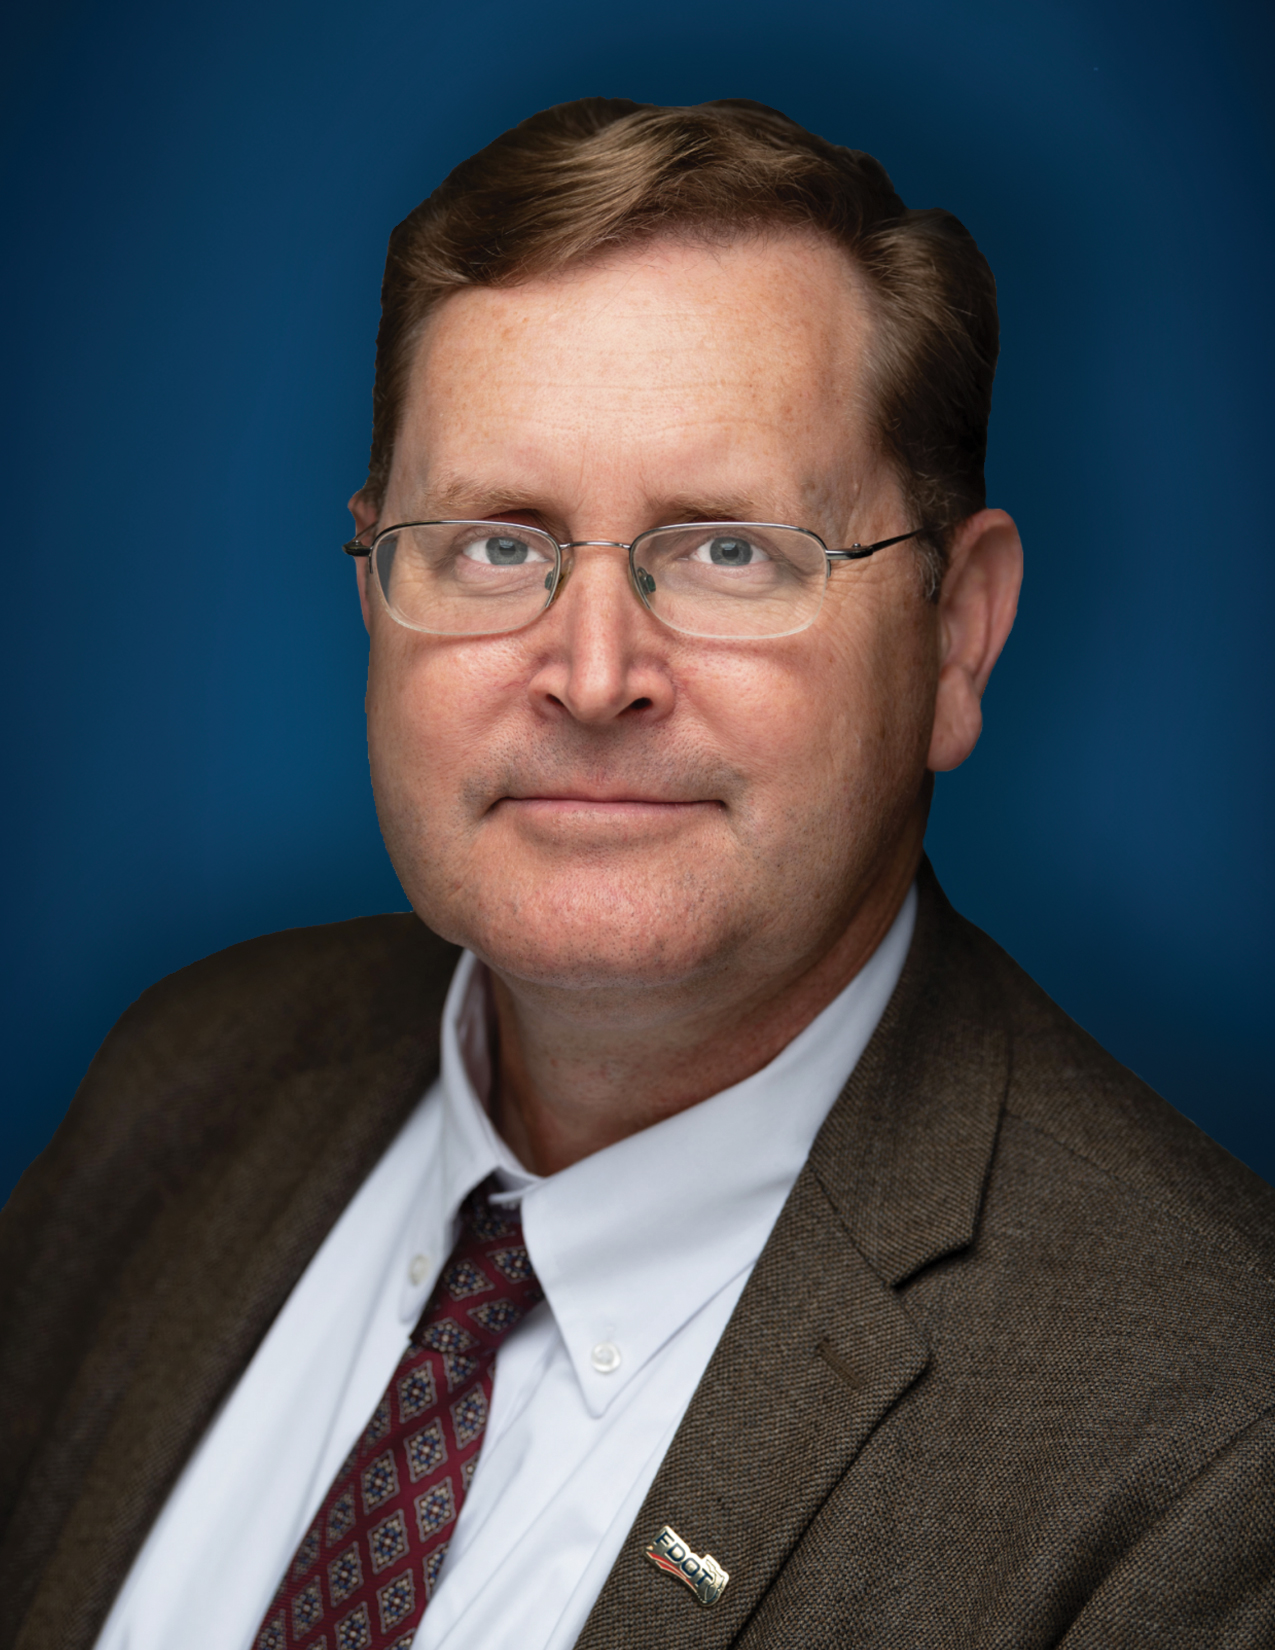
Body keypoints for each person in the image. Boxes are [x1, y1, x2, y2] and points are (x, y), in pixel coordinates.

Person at [2, 96, 1273, 1650]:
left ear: (956, 636)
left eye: (730, 549)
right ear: (373, 588)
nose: (594, 674)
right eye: (491, 542)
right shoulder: (183, 1077)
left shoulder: (1212, 1442)